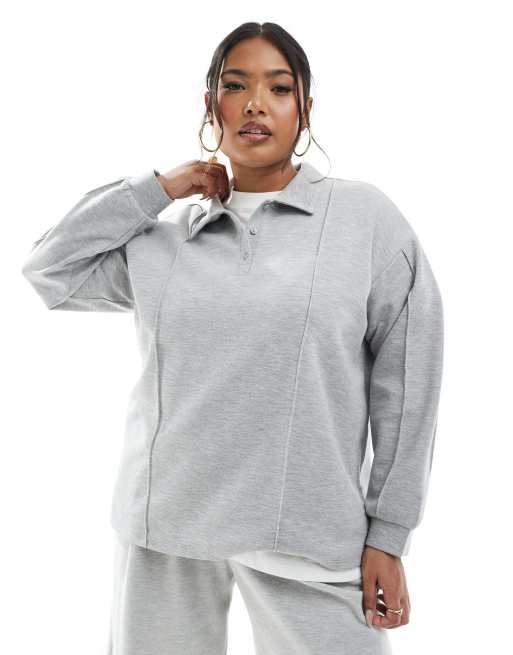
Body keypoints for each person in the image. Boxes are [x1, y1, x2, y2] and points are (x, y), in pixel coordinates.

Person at [21, 21, 444, 655]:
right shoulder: (167, 240)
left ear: (305, 109)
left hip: (308, 531)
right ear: (210, 106)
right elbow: (50, 268)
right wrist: (161, 188)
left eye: (279, 88)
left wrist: (389, 533)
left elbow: (409, 383)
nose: (255, 105)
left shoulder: (364, 221)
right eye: (235, 85)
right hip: (166, 524)